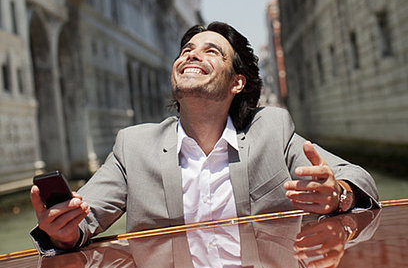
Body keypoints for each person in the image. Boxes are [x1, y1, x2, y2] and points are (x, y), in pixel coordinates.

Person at [31, 21, 379, 253]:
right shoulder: (132, 147)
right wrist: (62, 230)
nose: (191, 55)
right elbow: (82, 222)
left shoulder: (273, 129)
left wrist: (339, 196)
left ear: (236, 83)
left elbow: (359, 180)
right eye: (186, 51)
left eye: (211, 51)